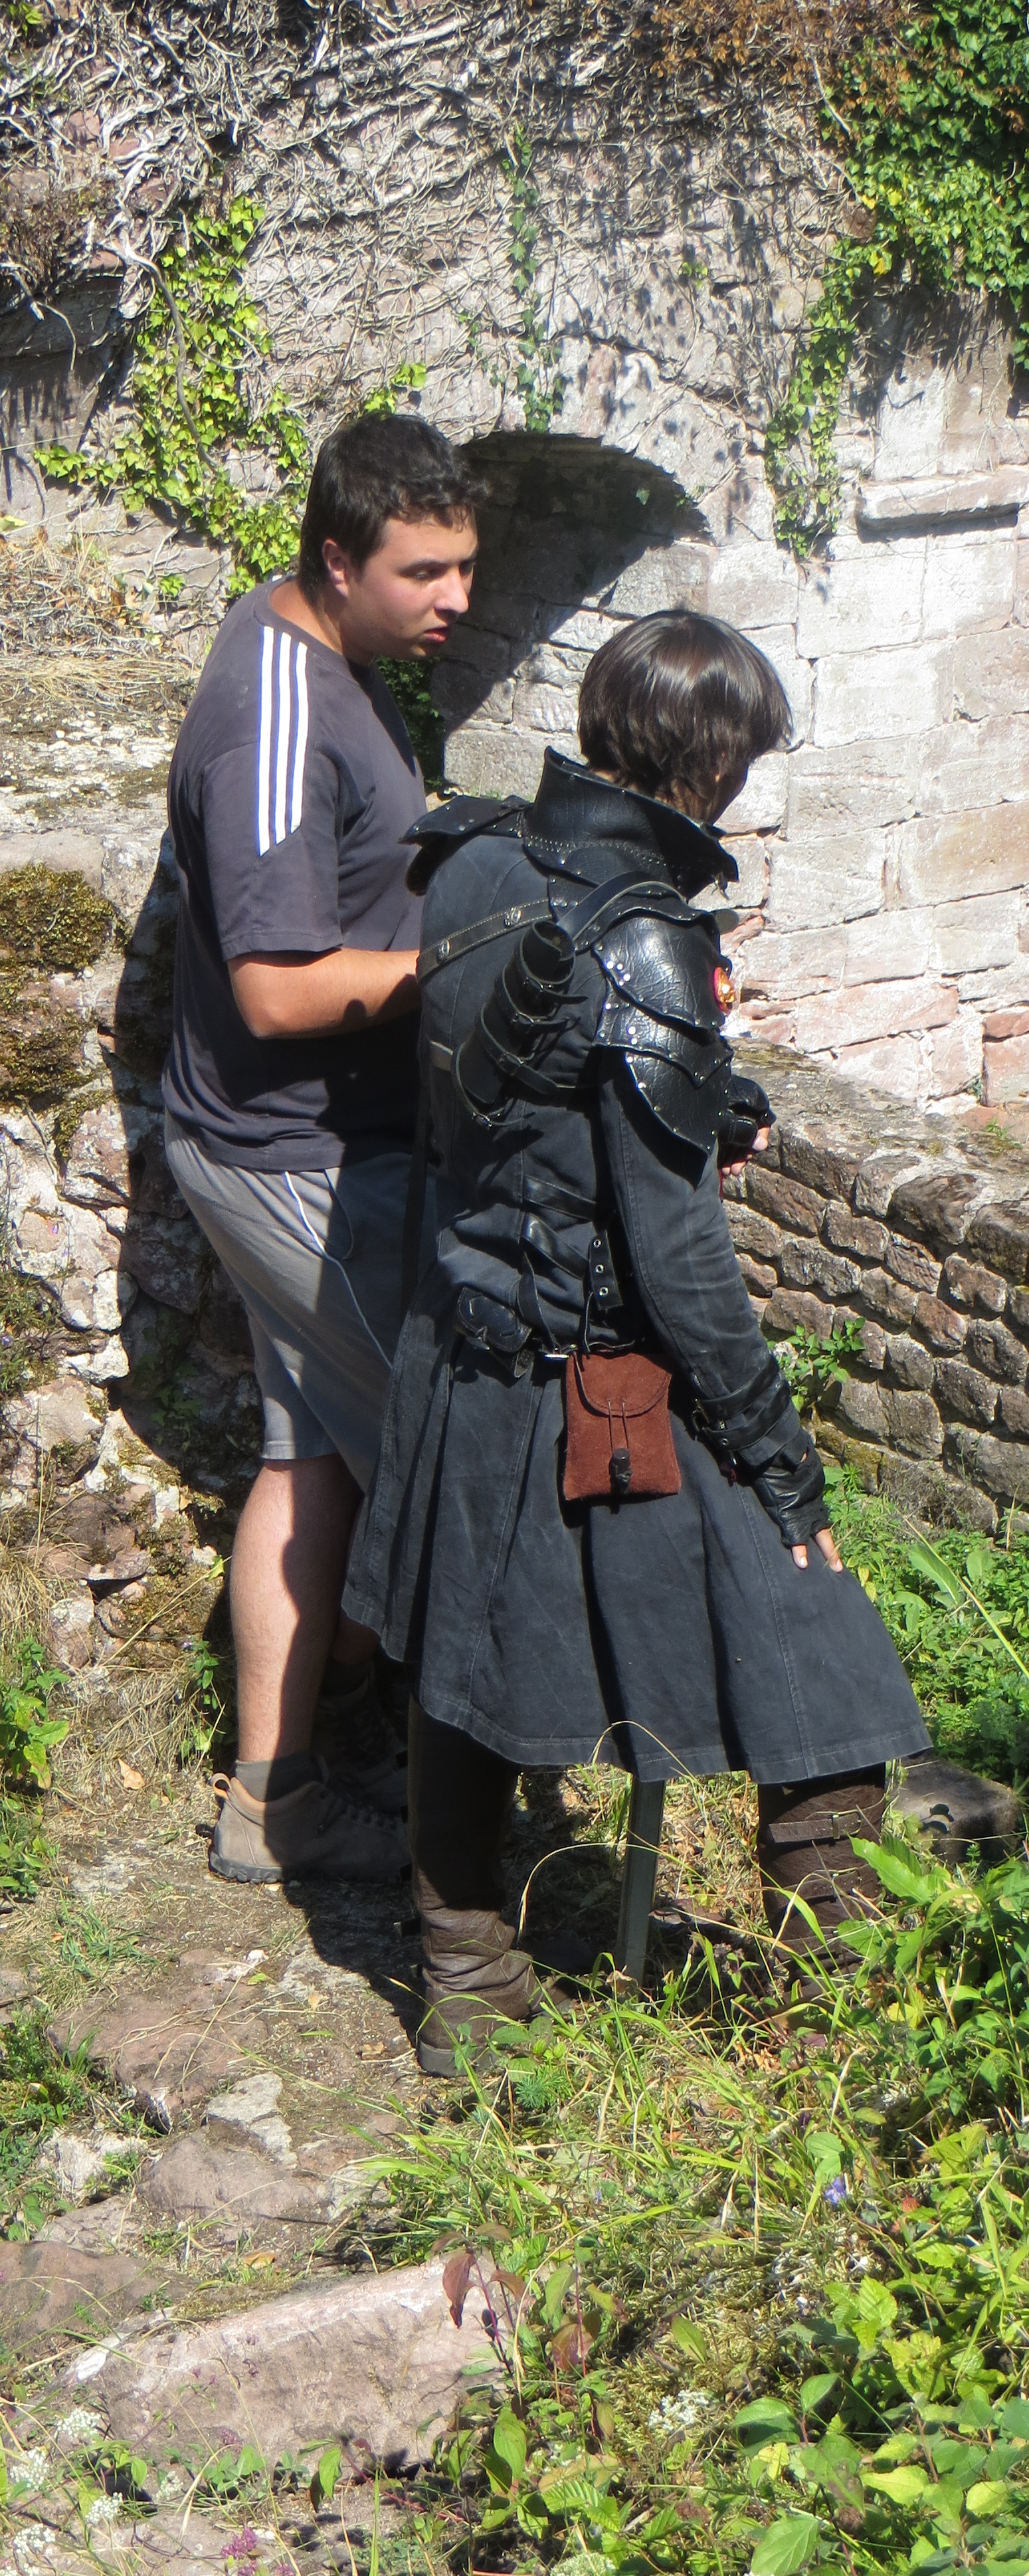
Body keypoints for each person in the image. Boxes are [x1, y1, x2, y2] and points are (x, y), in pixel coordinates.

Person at [344, 609, 994, 2075]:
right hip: (595, 1375)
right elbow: (680, 1256)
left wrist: (709, 1098)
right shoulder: (643, 934)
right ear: (714, 767)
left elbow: (514, 1091)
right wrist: (776, 1454)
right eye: (742, 764)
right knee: (816, 1632)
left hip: (460, 1341)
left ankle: (466, 1982)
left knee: (464, 1662)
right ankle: (852, 2010)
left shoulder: (478, 854)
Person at [161, 414, 485, 1888]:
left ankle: (281, 1787)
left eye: (466, 567)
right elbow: (276, 991)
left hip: (306, 1146)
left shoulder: (323, 653)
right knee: (442, 1452)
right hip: (295, 1158)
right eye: (425, 572)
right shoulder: (274, 717)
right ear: (339, 560)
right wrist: (467, 959)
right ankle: (413, 1800)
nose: (456, 600)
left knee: (310, 1460)